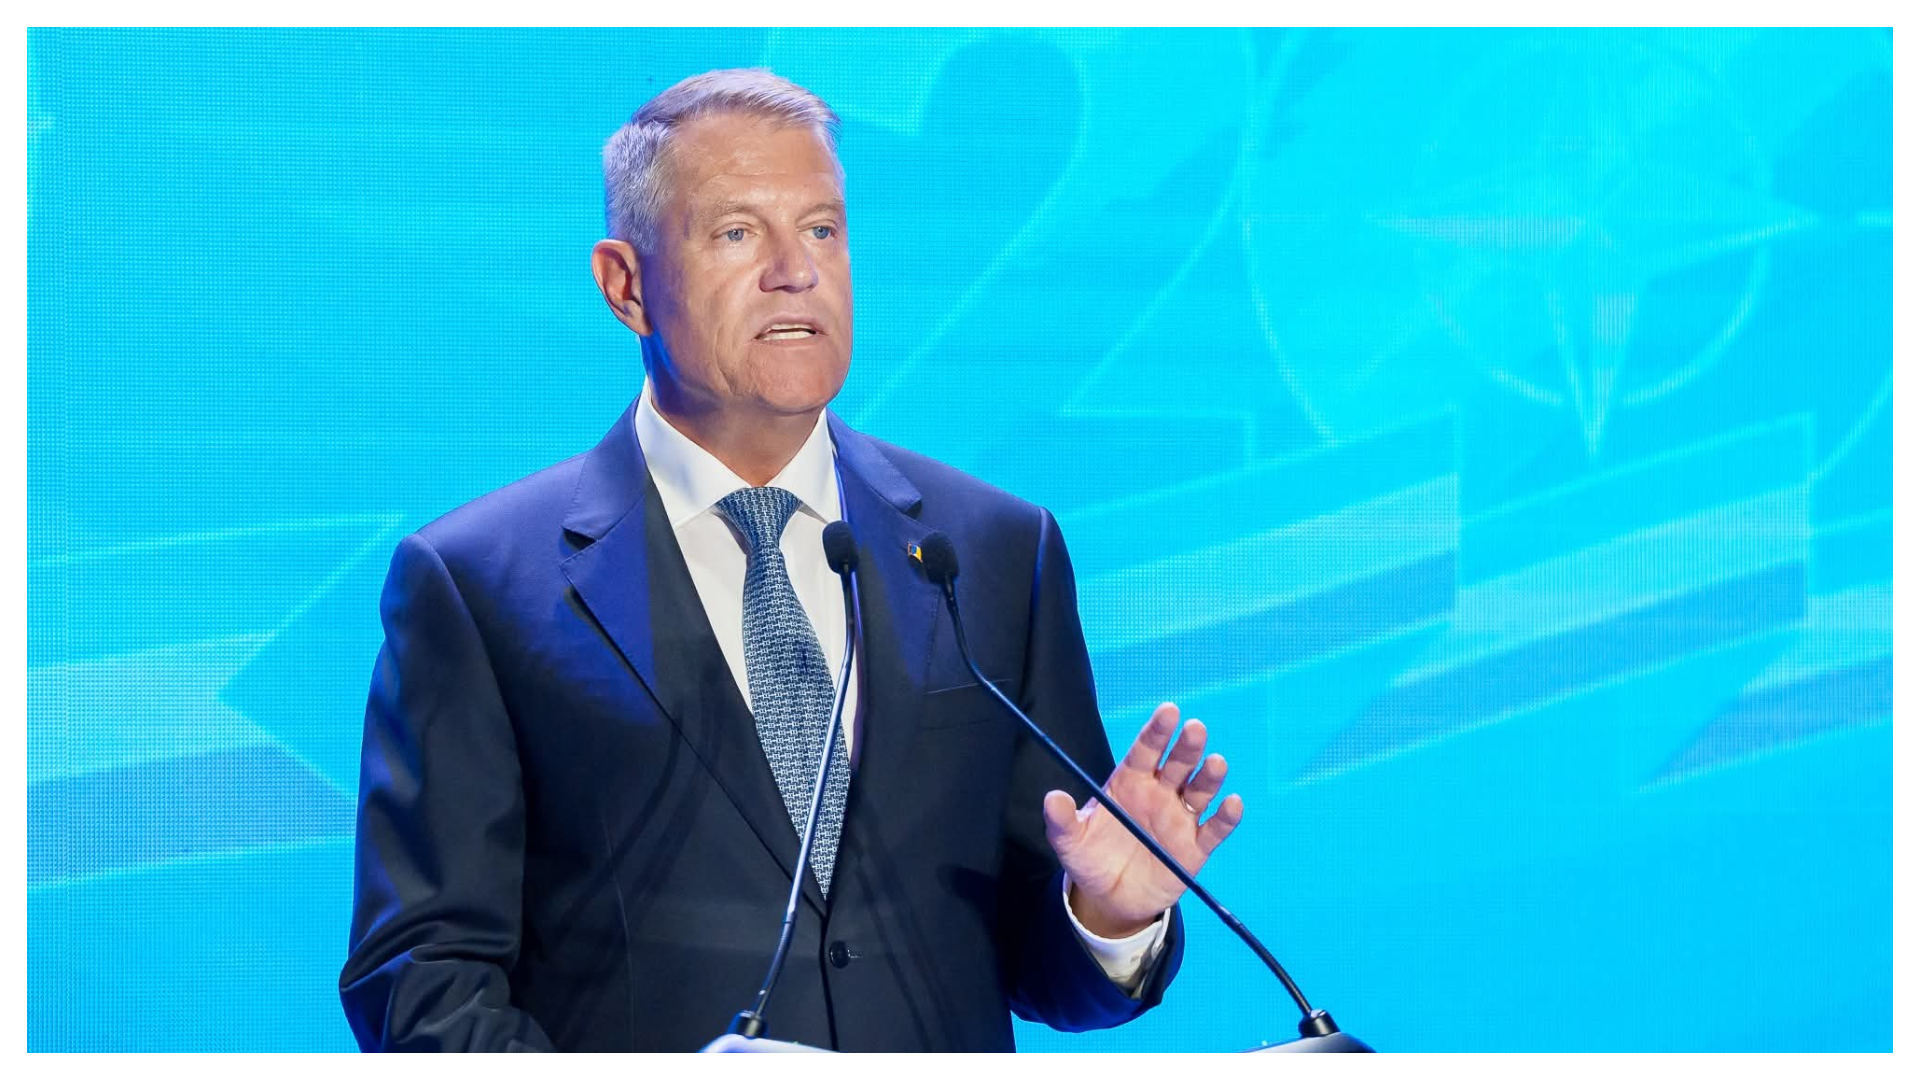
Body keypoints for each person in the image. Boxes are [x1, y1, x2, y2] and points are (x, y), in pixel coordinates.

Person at [339, 68, 1245, 1053]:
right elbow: (424, 984)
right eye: (737, 234)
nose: (795, 271)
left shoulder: (990, 549)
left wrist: (1106, 914)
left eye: (821, 229)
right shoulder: (477, 584)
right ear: (626, 285)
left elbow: (1041, 964)